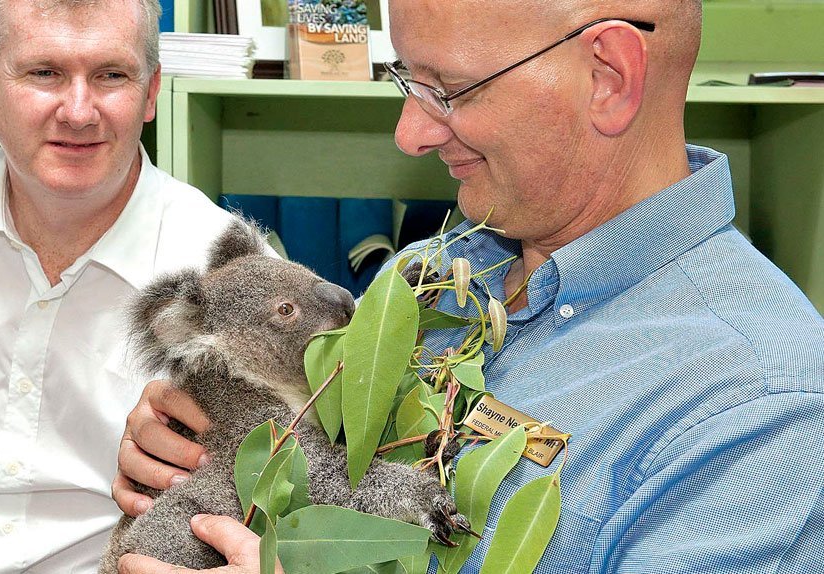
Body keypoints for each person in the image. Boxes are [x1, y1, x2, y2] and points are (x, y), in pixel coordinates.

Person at [113, 0, 824, 572]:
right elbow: (294, 446)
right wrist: (193, 435)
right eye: (406, 82)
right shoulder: (422, 278)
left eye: (447, 89)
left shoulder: (765, 409)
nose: (410, 132)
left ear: (609, 76)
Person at [0, 0, 243, 570]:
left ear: (150, 93)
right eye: (44, 73)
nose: (79, 111)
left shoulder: (230, 281)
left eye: (111, 75)